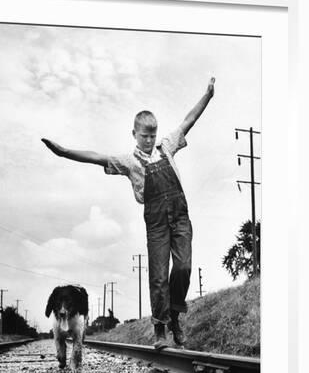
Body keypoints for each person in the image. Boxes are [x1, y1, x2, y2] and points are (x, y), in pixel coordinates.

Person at [42, 77, 215, 349]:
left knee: (183, 267)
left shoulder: (166, 147)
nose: (149, 140)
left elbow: (188, 121)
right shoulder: (128, 161)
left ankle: (174, 314)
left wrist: (207, 96)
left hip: (181, 216)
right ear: (134, 133)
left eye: (152, 135)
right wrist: (64, 152)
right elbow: (96, 156)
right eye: (144, 135)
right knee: (158, 275)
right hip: (156, 222)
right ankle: (161, 328)